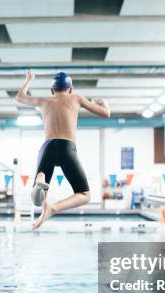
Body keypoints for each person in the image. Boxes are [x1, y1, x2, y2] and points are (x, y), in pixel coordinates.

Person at [15, 70, 111, 229]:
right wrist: (104, 103)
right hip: (67, 148)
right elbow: (106, 114)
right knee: (84, 195)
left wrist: (29, 79)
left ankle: (41, 180)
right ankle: (54, 208)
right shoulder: (76, 98)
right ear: (70, 89)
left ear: (52, 90)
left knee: (38, 199)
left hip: (48, 147)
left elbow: (19, 97)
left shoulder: (44, 102)